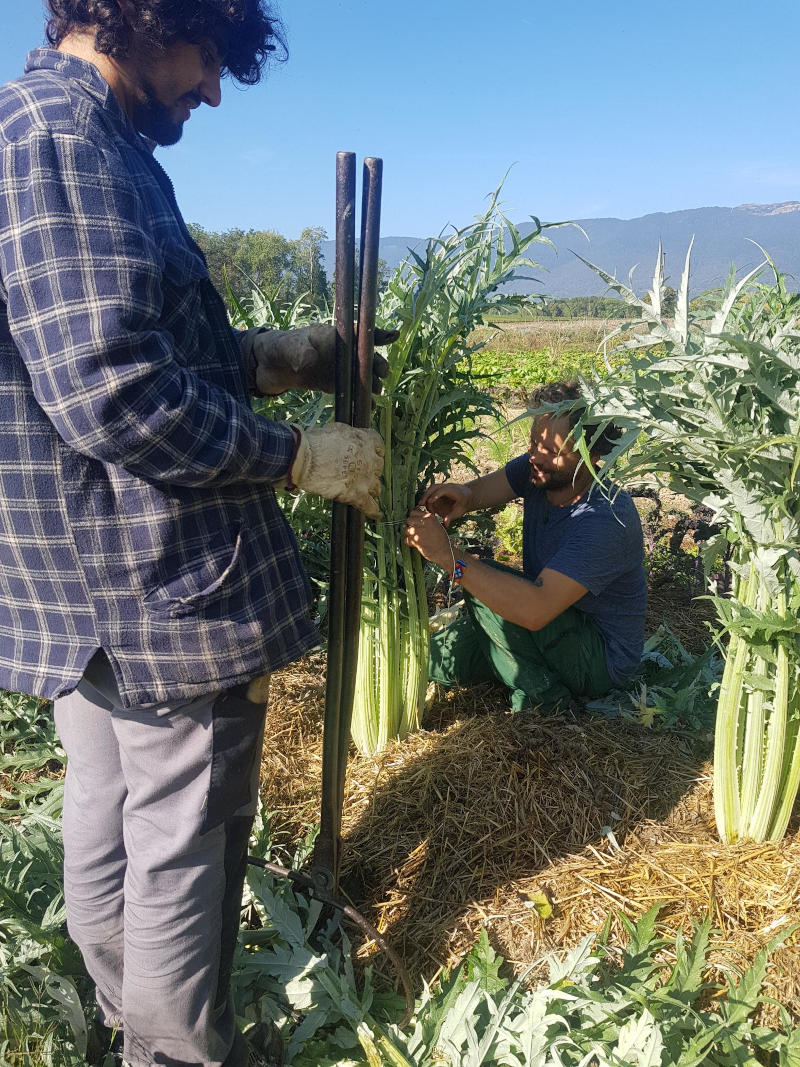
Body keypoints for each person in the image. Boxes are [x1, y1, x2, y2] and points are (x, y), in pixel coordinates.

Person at [0, 2, 395, 1064]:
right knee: (184, 842)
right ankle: (176, 1052)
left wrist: (280, 354)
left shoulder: (83, 138)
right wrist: (297, 454)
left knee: (114, 812)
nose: (215, 89)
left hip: (100, 591)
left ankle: (144, 1029)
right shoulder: (63, 139)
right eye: (206, 55)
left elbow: (132, 341)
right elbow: (113, 394)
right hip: (153, 583)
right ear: (142, 16)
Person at [405, 381, 647, 712]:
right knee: (433, 659)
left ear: (591, 455)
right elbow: (477, 493)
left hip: (599, 657)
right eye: (534, 443)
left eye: (551, 451)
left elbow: (534, 609)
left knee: (482, 582)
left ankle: (546, 703)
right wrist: (461, 495)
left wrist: (448, 558)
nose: (535, 455)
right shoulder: (541, 470)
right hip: (546, 627)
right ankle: (517, 664)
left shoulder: (605, 519)